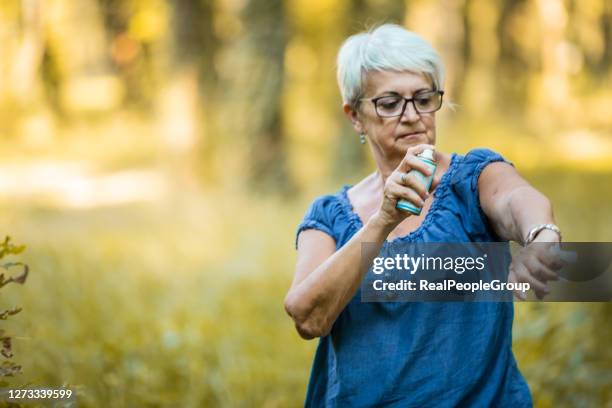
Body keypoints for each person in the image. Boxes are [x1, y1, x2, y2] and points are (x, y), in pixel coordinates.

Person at [284, 24, 564, 407]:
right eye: (389, 103)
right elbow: (308, 317)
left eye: (423, 98)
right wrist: (382, 221)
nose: (412, 115)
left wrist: (542, 235)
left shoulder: (473, 178)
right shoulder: (330, 216)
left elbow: (517, 198)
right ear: (354, 115)